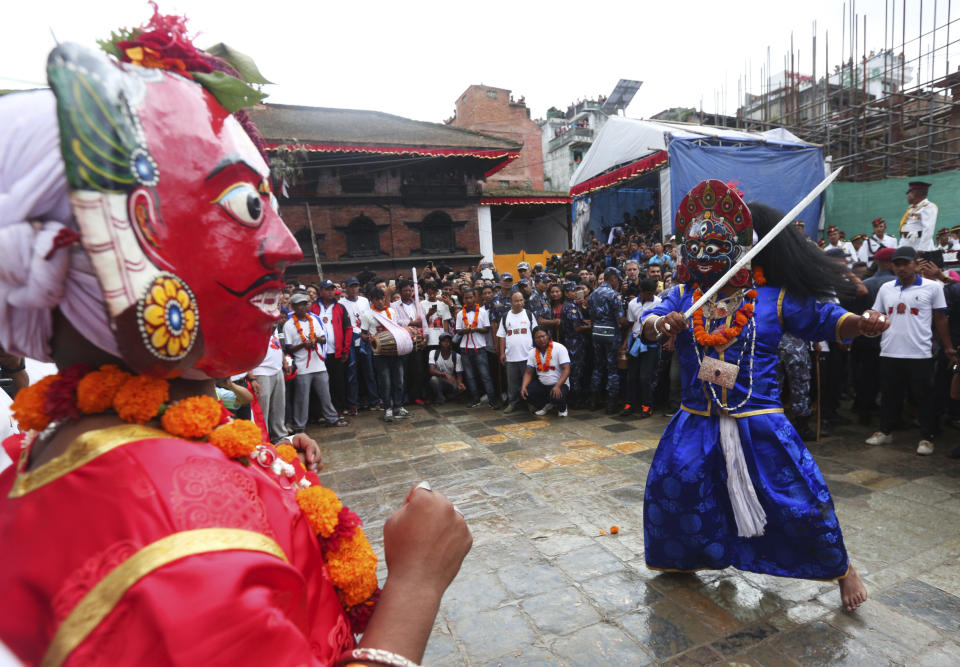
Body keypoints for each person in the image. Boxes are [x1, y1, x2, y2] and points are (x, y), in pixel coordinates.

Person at [0, 21, 470, 666]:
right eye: (247, 206)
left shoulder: (93, 444)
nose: (287, 247)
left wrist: (261, 458)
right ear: (116, 237)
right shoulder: (164, 522)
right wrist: (416, 584)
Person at [641, 180, 890, 613]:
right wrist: (660, 326)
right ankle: (685, 558)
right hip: (695, 418)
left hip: (760, 421)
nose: (703, 256)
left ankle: (842, 568)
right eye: (696, 247)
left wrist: (860, 323)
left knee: (799, 499)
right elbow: (649, 320)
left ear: (740, 248)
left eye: (714, 246)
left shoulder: (772, 299)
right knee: (676, 487)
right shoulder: (683, 296)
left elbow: (826, 319)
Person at [865, 246, 955, 455]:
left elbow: (940, 319)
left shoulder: (933, 287)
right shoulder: (886, 288)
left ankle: (927, 437)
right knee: (889, 394)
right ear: (892, 266)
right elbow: (876, 315)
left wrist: (948, 346)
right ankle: (886, 431)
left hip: (920, 352)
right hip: (889, 351)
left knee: (923, 397)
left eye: (906, 263)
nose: (902, 268)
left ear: (916, 264)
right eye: (897, 264)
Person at [283, 294, 348, 430]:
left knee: (325, 394)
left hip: (318, 364)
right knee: (302, 398)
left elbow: (324, 338)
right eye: (299, 304)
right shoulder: (289, 325)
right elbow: (289, 348)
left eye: (305, 303)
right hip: (301, 366)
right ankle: (299, 425)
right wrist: (303, 345)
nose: (303, 307)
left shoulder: (313, 319)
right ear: (293, 307)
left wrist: (316, 339)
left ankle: (331, 418)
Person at [361, 287, 410, 422]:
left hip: (395, 350)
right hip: (379, 354)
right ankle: (388, 408)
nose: (381, 302)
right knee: (385, 382)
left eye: (382, 298)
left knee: (399, 380)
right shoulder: (367, 314)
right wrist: (369, 339)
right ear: (372, 300)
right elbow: (363, 334)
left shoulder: (392, 312)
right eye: (377, 299)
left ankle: (398, 407)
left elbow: (397, 329)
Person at [588, 267, 625, 413]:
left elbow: (591, 316)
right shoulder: (614, 295)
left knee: (598, 367)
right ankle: (611, 403)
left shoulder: (592, 294)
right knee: (612, 369)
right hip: (611, 335)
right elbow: (621, 319)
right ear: (613, 278)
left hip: (596, 333)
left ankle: (594, 401)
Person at [621, 278, 660, 417]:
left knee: (645, 376)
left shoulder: (658, 302)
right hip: (636, 341)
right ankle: (630, 403)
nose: (650, 296)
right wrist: (625, 343)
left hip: (652, 343)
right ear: (641, 292)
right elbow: (632, 325)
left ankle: (647, 405)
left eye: (652, 293)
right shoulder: (633, 304)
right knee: (631, 375)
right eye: (647, 293)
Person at [455, 288, 499, 409]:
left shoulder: (482, 312)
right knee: (469, 376)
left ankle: (492, 399)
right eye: (466, 298)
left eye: (471, 297)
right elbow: (458, 331)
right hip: (465, 348)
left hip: (479, 348)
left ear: (475, 298)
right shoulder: (460, 314)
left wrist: (475, 329)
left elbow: (486, 329)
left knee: (485, 375)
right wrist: (466, 330)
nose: (469, 300)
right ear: (463, 299)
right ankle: (475, 399)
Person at [314, 280, 353, 414]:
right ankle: (322, 411)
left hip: (336, 352)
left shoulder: (340, 307)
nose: (330, 292)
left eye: (332, 289)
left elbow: (348, 329)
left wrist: (345, 349)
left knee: (338, 382)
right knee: (322, 384)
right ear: (320, 291)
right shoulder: (313, 307)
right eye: (327, 289)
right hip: (318, 354)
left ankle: (340, 408)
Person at [497, 291, 538, 413]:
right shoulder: (505, 316)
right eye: (516, 300)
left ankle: (530, 402)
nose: (519, 303)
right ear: (511, 302)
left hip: (528, 356)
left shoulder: (529, 315)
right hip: (511, 357)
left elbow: (536, 333)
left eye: (521, 300)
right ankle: (512, 403)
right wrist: (502, 353)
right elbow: (502, 336)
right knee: (512, 383)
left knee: (530, 382)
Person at [247, 329, 291, 442]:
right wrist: (252, 377)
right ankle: (263, 439)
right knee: (263, 411)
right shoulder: (254, 327)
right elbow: (246, 352)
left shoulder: (273, 325)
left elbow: (277, 345)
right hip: (261, 372)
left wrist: (284, 362)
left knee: (279, 407)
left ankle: (280, 436)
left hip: (277, 370)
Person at [340, 277, 374, 412]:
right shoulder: (341, 303)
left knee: (369, 371)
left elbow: (370, 317)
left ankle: (374, 399)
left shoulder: (364, 301)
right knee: (352, 372)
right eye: (351, 286)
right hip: (351, 337)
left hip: (365, 336)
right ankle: (353, 403)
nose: (354, 289)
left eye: (356, 286)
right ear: (346, 288)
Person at [521, 327, 571, 416]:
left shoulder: (559, 348)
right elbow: (528, 372)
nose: (541, 339)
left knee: (557, 396)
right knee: (525, 392)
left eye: (543, 336)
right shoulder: (532, 352)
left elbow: (566, 369)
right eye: (538, 337)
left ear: (548, 336)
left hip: (559, 384)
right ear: (534, 339)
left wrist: (557, 386)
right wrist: (523, 386)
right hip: (542, 384)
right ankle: (545, 405)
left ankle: (562, 408)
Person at [899, 181, 938, 252]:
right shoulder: (912, 208)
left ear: (917, 194)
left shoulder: (928, 207)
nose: (908, 196)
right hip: (907, 242)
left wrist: (922, 249)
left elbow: (928, 229)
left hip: (918, 245)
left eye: (910, 193)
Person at [427, 333, 465, 404]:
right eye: (444, 341)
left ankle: (449, 396)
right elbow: (431, 370)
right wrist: (445, 375)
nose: (446, 343)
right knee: (433, 379)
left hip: (451, 381)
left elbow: (459, 374)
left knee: (459, 388)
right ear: (440, 343)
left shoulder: (456, 356)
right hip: (440, 380)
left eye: (448, 341)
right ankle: (440, 397)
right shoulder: (433, 353)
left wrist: (460, 383)